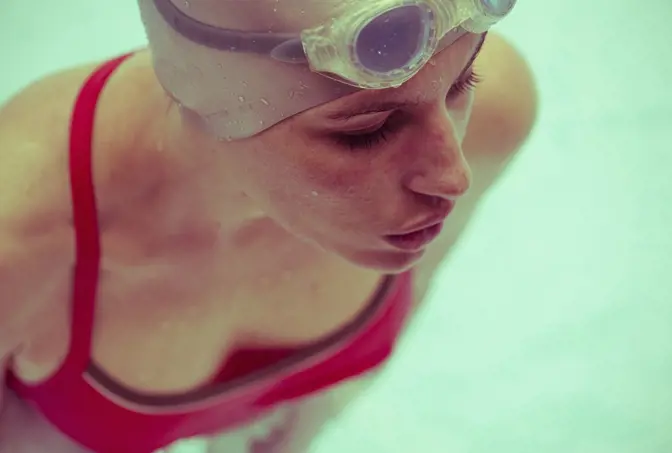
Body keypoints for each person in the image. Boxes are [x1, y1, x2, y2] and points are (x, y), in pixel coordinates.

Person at [0, 0, 537, 451]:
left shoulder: (496, 115)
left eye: (462, 80)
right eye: (365, 131)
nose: (452, 177)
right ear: (209, 96)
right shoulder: (20, 245)